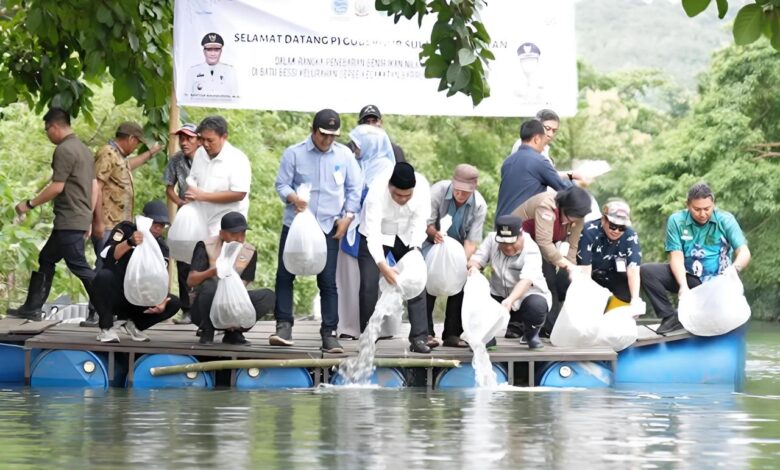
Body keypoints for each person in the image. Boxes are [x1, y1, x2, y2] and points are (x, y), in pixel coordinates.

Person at [271, 109, 362, 353]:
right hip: (296, 224)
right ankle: (283, 325)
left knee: (328, 280)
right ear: (314, 131)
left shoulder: (344, 156)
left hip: (328, 225)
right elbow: (281, 183)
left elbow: (355, 189)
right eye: (324, 135)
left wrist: (348, 217)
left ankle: (329, 333)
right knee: (285, 274)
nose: (328, 140)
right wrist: (292, 197)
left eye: (333, 136)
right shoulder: (294, 153)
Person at [9, 108, 97, 321]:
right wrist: (89, 217)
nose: (47, 134)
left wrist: (29, 204)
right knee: (46, 258)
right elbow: (94, 187)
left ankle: (107, 308)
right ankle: (32, 307)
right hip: (76, 218)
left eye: (47, 129)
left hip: (70, 219)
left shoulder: (65, 150)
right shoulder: (84, 149)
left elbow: (57, 187)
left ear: (55, 126)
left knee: (79, 266)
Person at [640, 183, 751, 334]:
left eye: (707, 209)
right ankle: (669, 316)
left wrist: (734, 269)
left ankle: (689, 314)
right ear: (688, 205)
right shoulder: (676, 220)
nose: (703, 214)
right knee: (646, 271)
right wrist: (683, 286)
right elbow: (676, 256)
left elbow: (744, 251)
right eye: (697, 209)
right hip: (690, 277)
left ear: (713, 204)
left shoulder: (726, 220)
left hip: (717, 283)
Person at [357, 162, 433, 354]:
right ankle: (368, 338)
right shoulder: (376, 192)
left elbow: (419, 223)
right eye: (398, 195)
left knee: (417, 280)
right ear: (390, 187)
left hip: (406, 236)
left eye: (407, 195)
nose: (402, 199)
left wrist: (415, 250)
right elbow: (373, 233)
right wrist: (383, 267)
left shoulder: (423, 188)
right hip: (378, 235)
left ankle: (419, 337)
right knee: (368, 283)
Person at [337, 124, 396, 339]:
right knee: (351, 280)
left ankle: (376, 329)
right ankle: (350, 326)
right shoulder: (357, 164)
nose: (355, 149)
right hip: (353, 227)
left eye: (358, 145)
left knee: (374, 281)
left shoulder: (386, 168)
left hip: (378, 230)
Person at [93, 201, 181, 343]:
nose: (158, 228)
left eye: (162, 225)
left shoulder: (161, 247)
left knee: (174, 302)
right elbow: (107, 256)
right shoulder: (126, 229)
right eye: (155, 223)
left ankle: (134, 324)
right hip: (117, 292)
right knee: (103, 276)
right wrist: (129, 242)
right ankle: (107, 327)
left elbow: (160, 279)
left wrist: (161, 300)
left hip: (140, 297)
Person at [513, 186, 592, 334]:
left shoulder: (578, 216)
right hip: (520, 243)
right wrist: (566, 264)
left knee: (566, 282)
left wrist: (572, 271)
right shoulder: (546, 206)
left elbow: (572, 246)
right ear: (563, 207)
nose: (573, 220)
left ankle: (555, 324)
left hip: (544, 246)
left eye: (577, 218)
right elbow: (544, 243)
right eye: (570, 217)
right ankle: (548, 328)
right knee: (548, 281)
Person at [188, 212, 275, 345]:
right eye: (234, 234)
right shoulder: (206, 246)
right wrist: (212, 272)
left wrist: (233, 313)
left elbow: (242, 286)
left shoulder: (249, 251)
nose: (239, 239)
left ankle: (234, 332)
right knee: (210, 285)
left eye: (243, 234)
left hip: (232, 303)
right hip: (204, 308)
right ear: (221, 233)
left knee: (268, 296)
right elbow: (191, 280)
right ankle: (207, 329)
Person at [424, 164, 487, 348]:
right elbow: (424, 223)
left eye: (465, 192)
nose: (459, 195)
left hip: (458, 248)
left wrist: (461, 264)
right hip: (431, 242)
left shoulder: (479, 205)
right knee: (426, 281)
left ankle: (452, 333)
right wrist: (434, 234)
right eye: (457, 190)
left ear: (473, 189)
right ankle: (425, 332)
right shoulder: (437, 192)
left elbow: (471, 240)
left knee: (462, 280)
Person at [467, 215, 551, 349]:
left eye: (512, 242)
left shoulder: (531, 248)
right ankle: (487, 337)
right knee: (473, 292)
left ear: (521, 235)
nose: (507, 247)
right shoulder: (491, 239)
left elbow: (527, 280)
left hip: (525, 296)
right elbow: (476, 259)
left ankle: (531, 334)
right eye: (503, 242)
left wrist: (510, 300)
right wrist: (473, 269)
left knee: (537, 305)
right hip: (498, 293)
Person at [93, 121, 163, 258]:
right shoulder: (107, 153)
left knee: (116, 264)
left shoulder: (118, 156)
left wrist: (151, 153)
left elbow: (127, 166)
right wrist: (98, 222)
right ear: (131, 139)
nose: (136, 147)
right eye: (137, 143)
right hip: (108, 224)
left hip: (118, 225)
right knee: (105, 263)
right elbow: (96, 187)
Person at [185, 115, 251, 236]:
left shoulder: (237, 159)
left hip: (227, 225)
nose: (205, 144)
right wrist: (192, 191)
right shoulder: (200, 153)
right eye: (202, 139)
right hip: (201, 220)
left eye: (210, 140)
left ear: (224, 137)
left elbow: (239, 194)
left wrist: (203, 196)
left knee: (221, 254)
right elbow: (193, 178)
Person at [495, 119, 572, 220]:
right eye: (544, 142)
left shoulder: (507, 161)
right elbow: (563, 189)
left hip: (500, 223)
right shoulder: (540, 161)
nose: (544, 148)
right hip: (521, 228)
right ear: (536, 139)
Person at [163, 122, 201, 325]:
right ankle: (187, 310)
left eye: (189, 138)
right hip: (185, 214)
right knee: (183, 261)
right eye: (182, 138)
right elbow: (169, 187)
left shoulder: (207, 159)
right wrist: (180, 202)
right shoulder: (176, 160)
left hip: (205, 214)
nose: (185, 142)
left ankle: (202, 309)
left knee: (204, 258)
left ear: (198, 140)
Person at [577, 200, 643, 305]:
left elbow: (633, 269)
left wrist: (635, 299)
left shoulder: (630, 235)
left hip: (612, 275)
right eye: (613, 225)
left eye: (622, 227)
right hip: (587, 275)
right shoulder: (589, 230)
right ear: (603, 220)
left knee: (628, 295)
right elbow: (584, 269)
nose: (616, 231)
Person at [186, 33, 238, 100]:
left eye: (216, 50)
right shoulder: (192, 72)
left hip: (223, 110)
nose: (213, 54)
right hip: (200, 110)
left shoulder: (230, 71)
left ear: (221, 51)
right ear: (204, 51)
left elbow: (235, 99)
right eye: (209, 50)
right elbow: (186, 98)